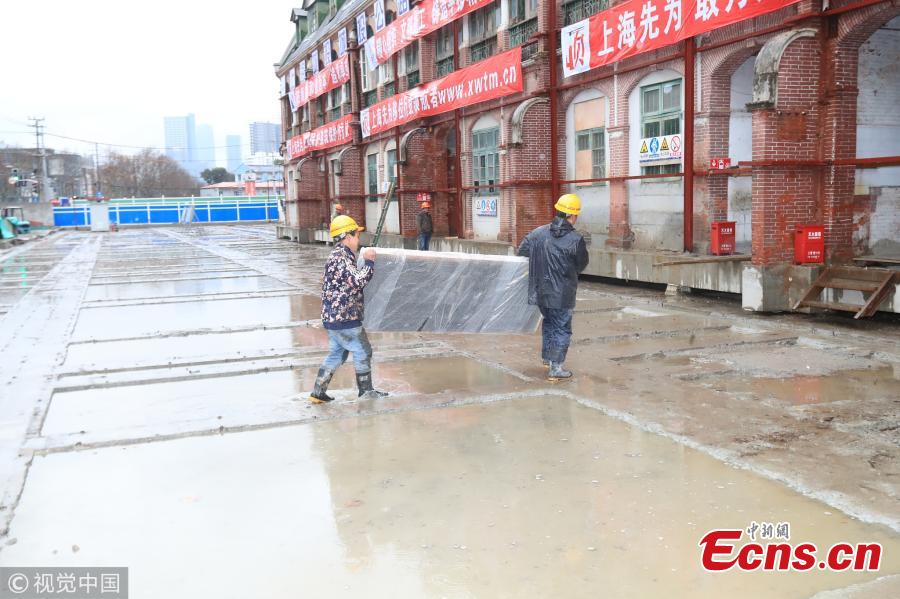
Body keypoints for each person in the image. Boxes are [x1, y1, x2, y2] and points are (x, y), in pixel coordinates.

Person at [309, 215, 389, 403]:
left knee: (338, 353)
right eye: (357, 235)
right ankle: (366, 391)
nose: (358, 240)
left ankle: (318, 391)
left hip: (333, 317)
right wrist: (369, 262)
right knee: (363, 349)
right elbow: (357, 281)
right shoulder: (341, 257)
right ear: (348, 237)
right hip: (345, 316)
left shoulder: (337, 256)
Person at [516, 194, 589, 381]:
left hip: (540, 291)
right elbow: (581, 264)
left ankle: (548, 357)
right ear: (573, 216)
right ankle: (555, 368)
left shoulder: (538, 233)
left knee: (549, 323)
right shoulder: (576, 239)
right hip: (562, 294)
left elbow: (522, 251)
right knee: (562, 328)